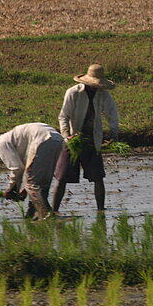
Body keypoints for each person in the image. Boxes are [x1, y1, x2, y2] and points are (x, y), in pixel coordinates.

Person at [53, 64, 119, 212]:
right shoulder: (74, 93)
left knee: (98, 177)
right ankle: (54, 211)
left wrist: (114, 134)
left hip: (92, 139)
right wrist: (66, 136)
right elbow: (63, 116)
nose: (97, 87)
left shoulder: (103, 95)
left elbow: (112, 115)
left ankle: (101, 211)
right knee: (62, 177)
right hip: (73, 140)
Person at [0, 123, 64, 220]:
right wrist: (23, 190)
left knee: (32, 184)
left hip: (42, 138)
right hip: (57, 139)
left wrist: (10, 189)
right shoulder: (16, 141)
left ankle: (47, 214)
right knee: (40, 182)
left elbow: (17, 168)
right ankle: (32, 214)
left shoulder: (1, 143)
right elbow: (27, 171)